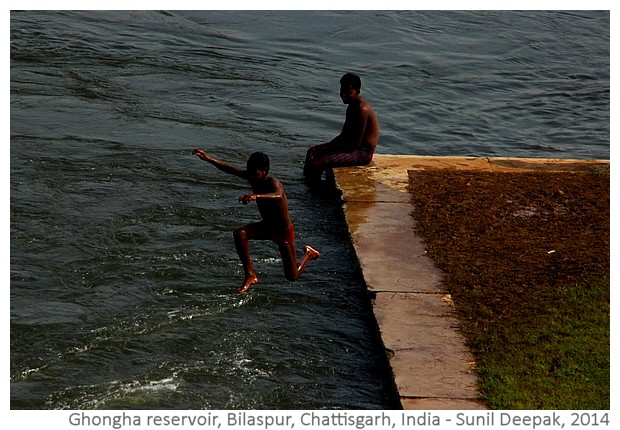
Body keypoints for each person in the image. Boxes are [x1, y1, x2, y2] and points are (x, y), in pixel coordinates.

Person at [192, 149, 320, 293]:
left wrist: (255, 196)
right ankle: (250, 274)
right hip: (267, 227)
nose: (252, 177)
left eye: (256, 173)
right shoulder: (252, 176)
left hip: (283, 231)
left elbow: (277, 195)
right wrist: (208, 158)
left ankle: (309, 254)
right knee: (240, 234)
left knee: (292, 276)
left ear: (264, 172)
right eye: (250, 172)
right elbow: (229, 169)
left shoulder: (272, 182)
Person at [303, 73, 380, 182]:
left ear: (357, 92)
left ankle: (315, 190)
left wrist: (326, 149)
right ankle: (308, 184)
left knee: (317, 163)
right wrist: (319, 148)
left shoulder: (362, 110)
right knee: (311, 152)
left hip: (363, 152)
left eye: (348, 92)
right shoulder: (351, 107)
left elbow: (354, 145)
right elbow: (343, 136)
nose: (343, 95)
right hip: (352, 147)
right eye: (341, 91)